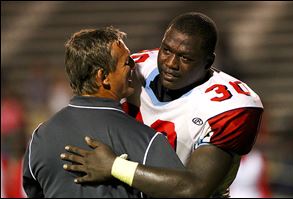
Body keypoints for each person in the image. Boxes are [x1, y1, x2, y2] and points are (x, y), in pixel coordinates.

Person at [60, 12, 264, 197]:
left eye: (185, 57)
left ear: (208, 62)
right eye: (166, 50)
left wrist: (115, 167)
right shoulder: (135, 69)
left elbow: (194, 188)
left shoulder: (231, 106)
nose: (171, 63)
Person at [22, 27, 185, 198]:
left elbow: (34, 190)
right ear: (103, 77)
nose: (133, 65)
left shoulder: (39, 138)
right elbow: (185, 191)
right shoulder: (144, 138)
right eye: (126, 61)